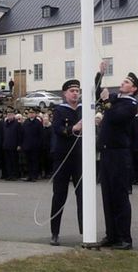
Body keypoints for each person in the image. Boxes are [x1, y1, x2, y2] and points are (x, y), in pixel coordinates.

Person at [97, 67, 138, 250]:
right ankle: (111, 235)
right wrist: (100, 74)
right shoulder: (117, 99)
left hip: (119, 154)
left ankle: (125, 238)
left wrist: (107, 101)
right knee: (107, 196)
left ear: (133, 89)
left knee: (120, 196)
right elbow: (97, 91)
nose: (122, 83)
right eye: (123, 81)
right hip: (107, 152)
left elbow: (115, 117)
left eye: (127, 82)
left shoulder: (131, 105)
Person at [49, 78, 84, 246]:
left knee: (83, 195)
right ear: (65, 94)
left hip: (80, 157)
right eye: (72, 91)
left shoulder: (84, 109)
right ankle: (55, 232)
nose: (75, 93)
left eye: (77, 91)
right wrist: (73, 129)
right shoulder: (60, 110)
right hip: (62, 156)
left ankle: (86, 231)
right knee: (59, 195)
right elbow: (57, 129)